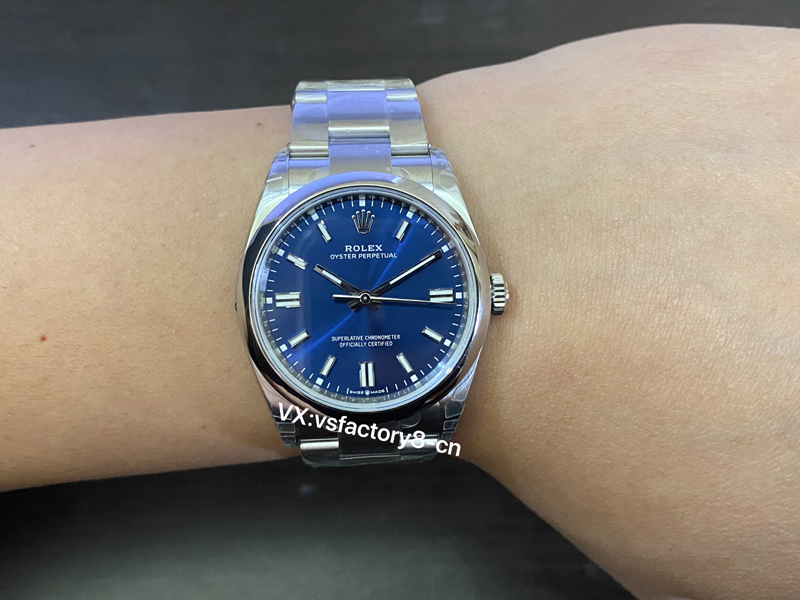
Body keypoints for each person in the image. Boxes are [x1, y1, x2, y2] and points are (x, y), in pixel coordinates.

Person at [1, 23, 798, 600]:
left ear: (490, 295)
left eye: (377, 292)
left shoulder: (426, 286)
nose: (365, 299)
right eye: (358, 294)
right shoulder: (295, 264)